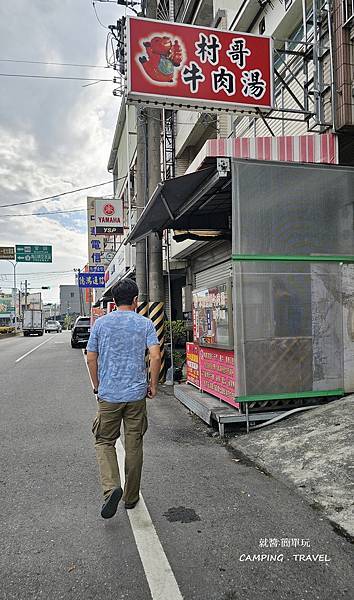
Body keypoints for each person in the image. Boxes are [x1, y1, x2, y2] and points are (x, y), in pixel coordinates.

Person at [86, 278, 161, 519]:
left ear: (113, 301)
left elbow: (90, 358)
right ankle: (130, 497)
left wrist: (98, 386)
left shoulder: (101, 324)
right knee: (134, 445)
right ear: (136, 300)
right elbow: (156, 356)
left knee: (104, 441)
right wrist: (153, 385)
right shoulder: (145, 323)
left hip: (109, 395)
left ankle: (111, 489)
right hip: (136, 395)